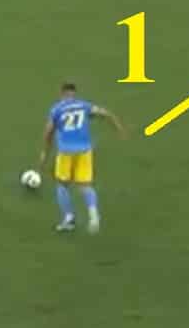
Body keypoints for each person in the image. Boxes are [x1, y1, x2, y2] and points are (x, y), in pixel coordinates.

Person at [38, 82, 126, 233]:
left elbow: (49, 131)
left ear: (62, 94)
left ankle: (69, 218)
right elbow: (104, 113)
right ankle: (94, 215)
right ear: (74, 94)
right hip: (85, 150)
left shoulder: (57, 109)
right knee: (85, 185)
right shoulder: (84, 106)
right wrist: (118, 127)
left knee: (62, 184)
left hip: (66, 151)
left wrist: (45, 152)